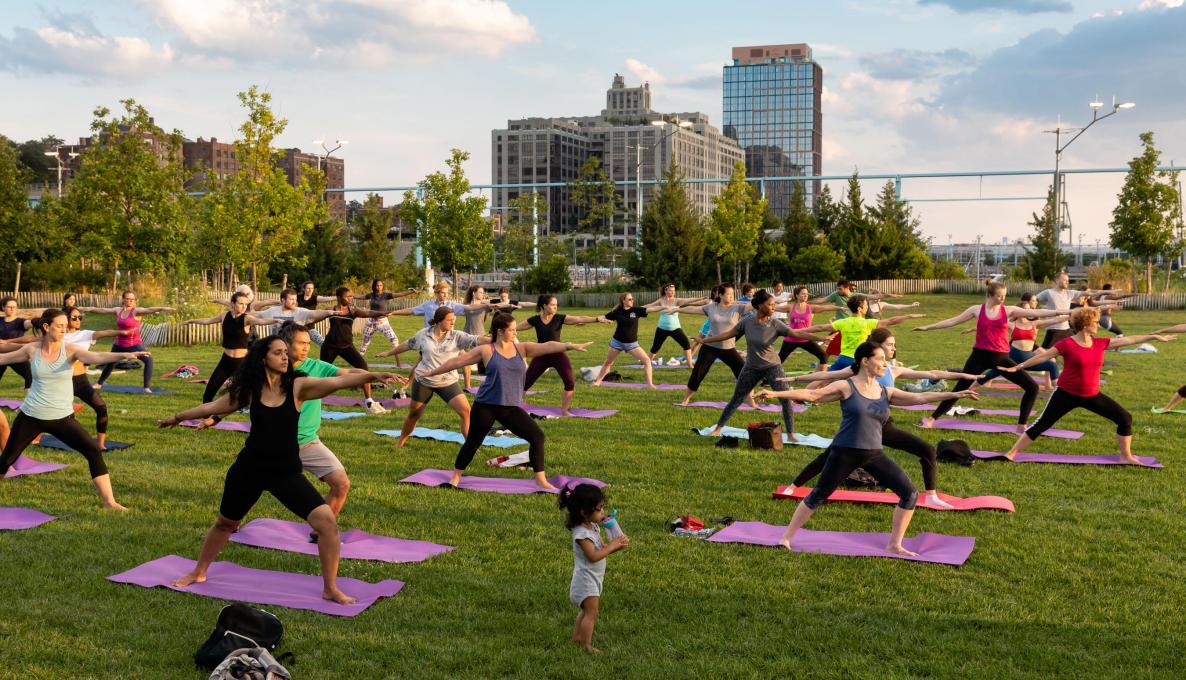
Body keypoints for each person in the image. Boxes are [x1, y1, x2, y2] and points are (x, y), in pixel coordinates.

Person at [158, 335, 403, 604]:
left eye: (286, 352)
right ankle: (199, 571)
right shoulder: (251, 389)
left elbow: (337, 381)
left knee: (327, 525)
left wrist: (373, 374)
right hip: (249, 468)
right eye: (278, 353)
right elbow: (215, 407)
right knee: (225, 523)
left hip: (284, 472)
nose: (286, 357)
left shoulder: (298, 386)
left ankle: (330, 588)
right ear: (263, 359)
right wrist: (177, 417)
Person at [755, 342, 980, 554]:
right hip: (844, 452)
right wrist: (776, 393)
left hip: (874, 454)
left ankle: (894, 544)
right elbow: (812, 394)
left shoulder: (886, 392)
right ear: (865, 361)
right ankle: (785, 538)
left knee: (910, 494)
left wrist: (955, 394)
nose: (885, 364)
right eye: (880, 359)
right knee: (818, 495)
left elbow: (920, 396)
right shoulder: (847, 385)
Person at [782, 327, 982, 509]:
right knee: (828, 456)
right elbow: (824, 377)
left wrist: (966, 377)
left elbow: (931, 373)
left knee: (927, 450)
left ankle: (930, 495)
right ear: (877, 347)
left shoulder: (893, 370)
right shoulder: (859, 368)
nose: (894, 348)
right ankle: (794, 485)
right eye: (890, 345)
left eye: (894, 345)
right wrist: (795, 379)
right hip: (862, 426)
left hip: (883, 425)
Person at [421, 312, 592, 490]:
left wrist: (569, 345)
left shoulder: (522, 348)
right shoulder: (486, 350)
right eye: (512, 330)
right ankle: (455, 476)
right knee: (473, 442)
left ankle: (540, 480)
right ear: (500, 331)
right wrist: (431, 373)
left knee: (537, 437)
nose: (515, 333)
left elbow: (548, 346)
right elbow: (457, 362)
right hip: (486, 406)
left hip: (510, 408)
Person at [0, 309, 150, 509]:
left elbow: (96, 356)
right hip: (31, 416)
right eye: (59, 326)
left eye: (65, 325)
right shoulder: (31, 350)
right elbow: (3, 359)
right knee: (6, 460)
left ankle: (109, 502)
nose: (64, 329)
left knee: (92, 450)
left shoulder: (70, 350)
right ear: (46, 327)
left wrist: (125, 354)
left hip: (62, 418)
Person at [998, 307, 1173, 462]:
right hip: (1066, 394)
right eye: (1096, 322)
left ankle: (1126, 456)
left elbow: (1130, 340)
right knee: (1042, 423)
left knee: (1125, 418)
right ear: (1084, 325)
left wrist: (1154, 336)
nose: (1098, 325)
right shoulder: (1066, 344)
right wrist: (1018, 367)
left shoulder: (1100, 343)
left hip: (1091, 395)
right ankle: (1011, 453)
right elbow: (1042, 356)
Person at [914, 280, 1068, 432]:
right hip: (978, 357)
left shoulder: (1008, 310)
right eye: (1000, 296)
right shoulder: (976, 309)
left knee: (1032, 387)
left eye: (1004, 296)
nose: (1003, 299)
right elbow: (953, 321)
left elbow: (1036, 312)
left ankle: (1021, 426)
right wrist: (928, 327)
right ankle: (932, 419)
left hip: (1001, 358)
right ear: (990, 295)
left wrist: (1064, 312)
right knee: (960, 388)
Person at [702, 290, 824, 439]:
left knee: (785, 399)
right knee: (737, 398)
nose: (774, 307)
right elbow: (728, 334)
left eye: (774, 305)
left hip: (773, 367)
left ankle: (791, 434)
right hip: (751, 367)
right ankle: (718, 428)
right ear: (760, 306)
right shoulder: (747, 322)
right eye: (770, 304)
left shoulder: (775, 324)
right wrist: (705, 340)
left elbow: (797, 333)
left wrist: (820, 338)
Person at [377, 307, 487, 448]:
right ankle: (400, 442)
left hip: (448, 382)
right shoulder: (424, 334)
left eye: (454, 319)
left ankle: (470, 447)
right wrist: (388, 353)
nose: (453, 322)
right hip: (424, 381)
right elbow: (407, 345)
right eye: (449, 320)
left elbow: (476, 339)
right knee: (414, 415)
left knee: (466, 411)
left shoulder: (457, 336)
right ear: (439, 320)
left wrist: (495, 339)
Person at [559, 483, 629, 653]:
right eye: (599, 509)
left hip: (592, 578)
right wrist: (611, 546)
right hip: (585, 581)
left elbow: (601, 549)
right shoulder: (581, 534)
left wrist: (616, 545)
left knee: (586, 611)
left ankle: (577, 638)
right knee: (592, 612)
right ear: (584, 512)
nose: (603, 512)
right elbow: (593, 556)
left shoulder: (592, 526)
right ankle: (586, 645)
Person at [182, 292, 280, 413]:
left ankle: (266, 412)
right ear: (233, 304)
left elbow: (261, 321)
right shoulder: (224, 315)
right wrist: (192, 321)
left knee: (251, 392)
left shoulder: (247, 318)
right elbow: (208, 320)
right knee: (209, 392)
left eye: (246, 304)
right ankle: (205, 416)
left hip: (241, 363)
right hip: (225, 361)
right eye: (241, 303)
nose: (244, 306)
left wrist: (276, 320)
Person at [517, 295, 609, 416]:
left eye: (556, 305)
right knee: (525, 383)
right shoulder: (535, 320)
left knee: (570, 382)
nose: (556, 307)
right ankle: (516, 408)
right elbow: (514, 328)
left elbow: (579, 318)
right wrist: (495, 332)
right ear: (544, 306)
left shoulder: (559, 318)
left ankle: (564, 411)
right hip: (541, 355)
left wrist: (597, 319)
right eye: (553, 305)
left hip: (558, 354)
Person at [64, 306, 132, 450]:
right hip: (62, 382)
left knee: (101, 408)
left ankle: (100, 445)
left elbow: (103, 332)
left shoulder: (85, 334)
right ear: (65, 319)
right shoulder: (57, 336)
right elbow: (31, 340)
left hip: (81, 380)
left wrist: (121, 332)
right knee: (66, 416)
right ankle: (72, 441)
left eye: (80, 317)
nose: (78, 320)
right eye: (74, 317)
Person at [799, 295, 923, 372]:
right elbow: (890, 321)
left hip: (842, 358)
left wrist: (798, 331)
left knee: (825, 378)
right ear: (859, 309)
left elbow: (820, 327)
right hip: (857, 361)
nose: (866, 307)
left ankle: (808, 395)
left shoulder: (843, 322)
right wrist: (909, 315)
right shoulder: (867, 323)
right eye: (865, 305)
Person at [321, 287, 395, 414]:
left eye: (351, 296)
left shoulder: (353, 311)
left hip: (347, 347)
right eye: (347, 296)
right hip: (329, 347)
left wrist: (381, 313)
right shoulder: (331, 310)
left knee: (363, 367)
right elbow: (314, 317)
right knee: (320, 373)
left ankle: (369, 402)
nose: (350, 298)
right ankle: (311, 398)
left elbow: (368, 313)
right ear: (339, 297)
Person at [972, 292, 1069, 390]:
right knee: (996, 371)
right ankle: (972, 386)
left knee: (1052, 365)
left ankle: (1058, 390)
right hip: (1013, 357)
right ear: (1018, 311)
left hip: (1028, 359)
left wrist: (1071, 314)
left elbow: (1055, 320)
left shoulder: (1035, 323)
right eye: (1024, 309)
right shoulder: (1011, 324)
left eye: (1028, 309)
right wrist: (975, 329)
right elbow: (992, 324)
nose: (1027, 311)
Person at [86, 290, 173, 393]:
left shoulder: (136, 311)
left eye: (132, 299)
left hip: (134, 344)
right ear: (123, 299)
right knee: (110, 362)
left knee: (148, 360)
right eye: (128, 299)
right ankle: (99, 384)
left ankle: (146, 388)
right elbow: (103, 310)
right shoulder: (118, 310)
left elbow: (149, 309)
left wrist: (163, 308)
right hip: (119, 344)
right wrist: (89, 308)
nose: (130, 301)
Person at [680, 284, 751, 405]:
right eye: (728, 294)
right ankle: (685, 399)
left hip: (728, 348)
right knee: (698, 373)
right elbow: (693, 309)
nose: (731, 296)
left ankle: (751, 402)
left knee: (744, 372)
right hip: (710, 347)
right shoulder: (712, 307)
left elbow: (755, 304)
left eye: (732, 294)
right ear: (721, 295)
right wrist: (677, 309)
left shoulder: (738, 308)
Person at [590, 293, 670, 388]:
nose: (632, 301)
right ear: (623, 301)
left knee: (647, 361)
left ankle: (649, 384)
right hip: (617, 342)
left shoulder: (636, 310)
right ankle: (598, 382)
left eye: (632, 299)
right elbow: (602, 317)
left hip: (632, 344)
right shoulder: (617, 311)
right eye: (629, 299)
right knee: (608, 362)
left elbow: (651, 309)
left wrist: (664, 307)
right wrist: (583, 321)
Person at [1035, 272, 1118, 348]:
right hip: (1054, 329)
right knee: (1046, 356)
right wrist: (1036, 313)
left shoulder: (1070, 293)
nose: (1067, 282)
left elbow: (1090, 293)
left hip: (1067, 329)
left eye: (1068, 280)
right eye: (1064, 280)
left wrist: (1107, 292)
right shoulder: (1048, 292)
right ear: (1056, 280)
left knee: (1079, 348)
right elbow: (1034, 300)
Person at [778, 285, 843, 370]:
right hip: (791, 338)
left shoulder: (811, 307)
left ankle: (820, 379)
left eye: (807, 294)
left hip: (806, 338)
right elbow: (773, 308)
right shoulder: (790, 307)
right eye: (803, 294)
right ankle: (766, 380)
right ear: (797, 295)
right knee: (779, 360)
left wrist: (840, 308)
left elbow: (826, 307)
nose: (806, 295)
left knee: (823, 356)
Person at [390, 281, 496, 329]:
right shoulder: (428, 305)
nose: (445, 295)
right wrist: (392, 313)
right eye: (442, 292)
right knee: (422, 361)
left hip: (447, 339)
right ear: (436, 293)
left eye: (447, 292)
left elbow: (469, 307)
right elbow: (410, 311)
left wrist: (487, 305)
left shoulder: (451, 305)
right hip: (430, 338)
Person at [647, 284, 706, 367]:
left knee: (686, 344)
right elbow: (650, 305)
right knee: (655, 347)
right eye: (671, 290)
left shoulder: (677, 300)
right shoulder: (661, 300)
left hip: (675, 328)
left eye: (674, 291)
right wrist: (637, 309)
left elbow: (688, 300)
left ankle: (689, 365)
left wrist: (699, 298)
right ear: (666, 290)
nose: (672, 292)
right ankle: (647, 362)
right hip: (661, 328)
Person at [359, 279, 417, 356]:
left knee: (394, 340)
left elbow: (399, 294)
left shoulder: (386, 295)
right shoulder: (371, 295)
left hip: (382, 321)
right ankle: (359, 363)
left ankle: (398, 365)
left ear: (382, 286)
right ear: (374, 286)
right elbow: (360, 297)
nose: (379, 287)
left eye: (380, 285)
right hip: (371, 321)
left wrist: (411, 292)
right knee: (365, 343)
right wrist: (350, 295)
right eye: (377, 285)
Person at [0, 296, 36, 388]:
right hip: (1, 355)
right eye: (9, 307)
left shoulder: (21, 321)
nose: (12, 309)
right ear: (3, 307)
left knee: (31, 376)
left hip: (17, 354)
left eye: (14, 307)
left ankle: (30, 399)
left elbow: (28, 324)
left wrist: (36, 322)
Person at [258, 288, 340, 327]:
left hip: (292, 350)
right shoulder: (272, 311)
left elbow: (314, 313)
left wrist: (327, 312)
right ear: (283, 300)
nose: (294, 302)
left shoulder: (299, 311)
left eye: (295, 299)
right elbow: (258, 315)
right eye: (291, 299)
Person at [297, 281, 338, 346]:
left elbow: (326, 299)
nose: (310, 290)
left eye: (312, 288)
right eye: (308, 288)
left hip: (309, 327)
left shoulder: (314, 298)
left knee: (323, 344)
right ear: (304, 289)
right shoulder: (298, 298)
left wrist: (337, 297)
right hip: (297, 327)